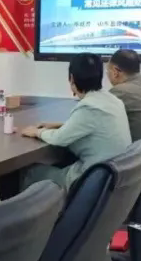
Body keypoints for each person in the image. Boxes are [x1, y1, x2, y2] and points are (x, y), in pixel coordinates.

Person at [20, 53, 131, 190]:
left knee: (29, 173)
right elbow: (95, 126)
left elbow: (59, 138)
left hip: (90, 180)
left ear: (72, 78)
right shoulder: (113, 100)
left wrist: (37, 132)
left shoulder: (89, 107)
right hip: (111, 179)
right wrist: (60, 125)